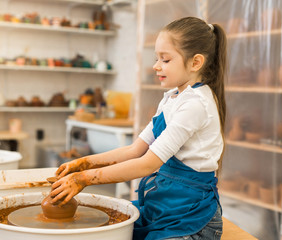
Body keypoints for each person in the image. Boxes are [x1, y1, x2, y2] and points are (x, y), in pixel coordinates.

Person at [51, 16, 227, 240]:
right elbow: (134, 150)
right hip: (166, 203)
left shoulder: (196, 105)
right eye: (157, 58)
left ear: (195, 63)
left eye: (165, 60)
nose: (156, 66)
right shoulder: (172, 98)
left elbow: (147, 164)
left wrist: (84, 179)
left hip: (192, 217)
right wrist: (83, 163)